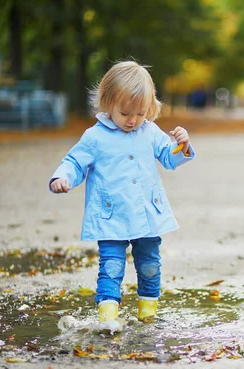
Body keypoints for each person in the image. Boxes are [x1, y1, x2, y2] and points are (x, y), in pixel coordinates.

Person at [49, 60, 195, 332]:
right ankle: (108, 319)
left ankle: (148, 316)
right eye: (126, 113)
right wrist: (63, 177)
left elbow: (169, 157)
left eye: (140, 113)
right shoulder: (95, 137)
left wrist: (181, 145)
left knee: (150, 265)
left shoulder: (149, 131)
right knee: (112, 267)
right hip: (111, 216)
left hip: (147, 215)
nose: (133, 120)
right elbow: (75, 162)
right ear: (107, 103)